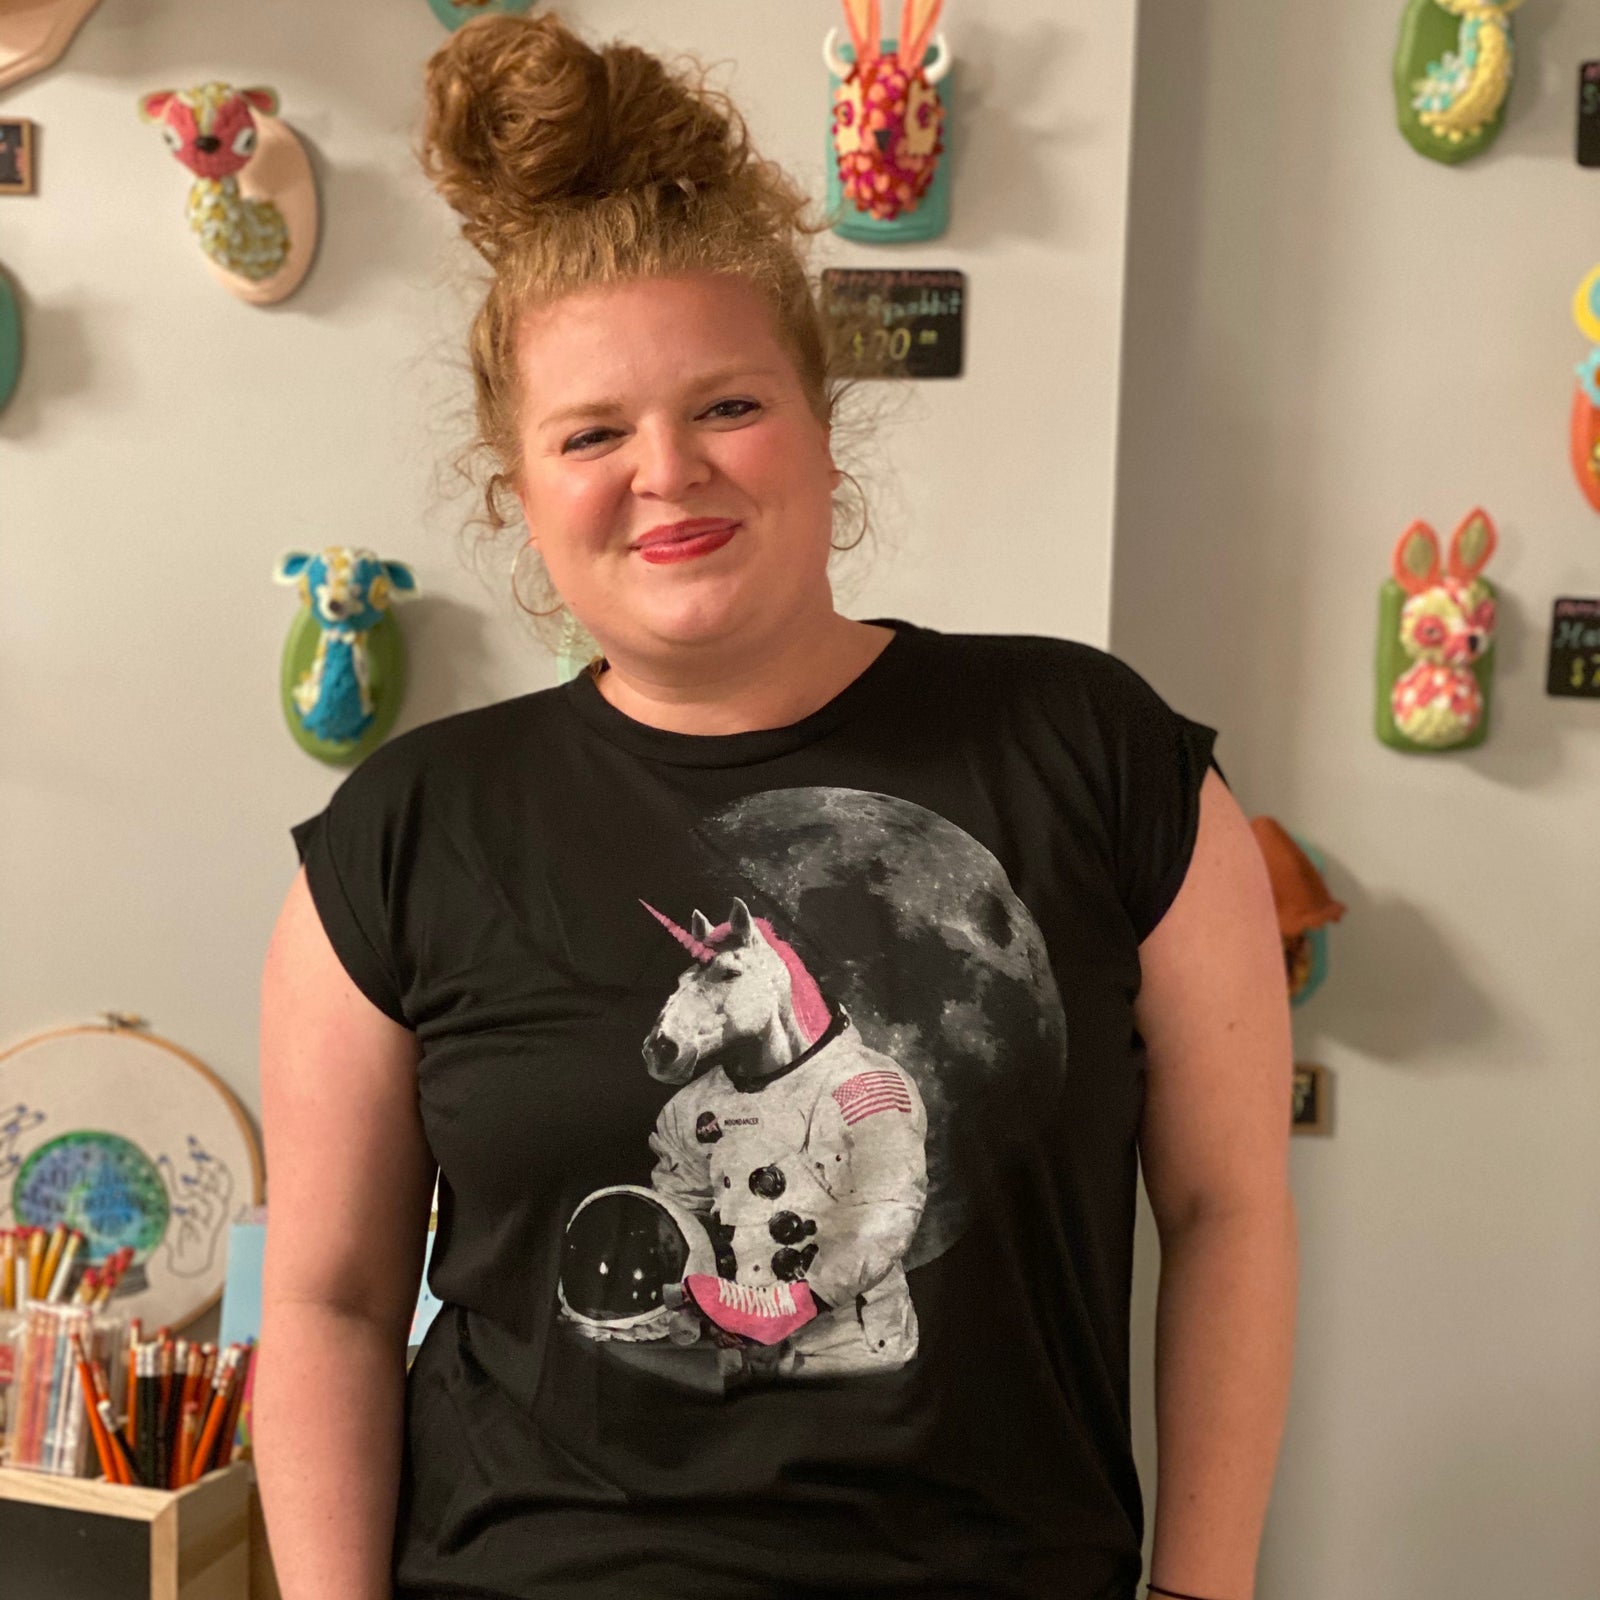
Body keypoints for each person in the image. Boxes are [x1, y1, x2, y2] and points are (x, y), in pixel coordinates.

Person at [254, 11, 1297, 1600]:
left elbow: (1227, 1211)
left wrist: (1204, 1590)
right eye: (592, 433)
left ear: (821, 421)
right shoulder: (407, 831)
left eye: (725, 406)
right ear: (522, 489)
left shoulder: (1096, 753)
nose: (665, 472)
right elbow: (328, 1298)